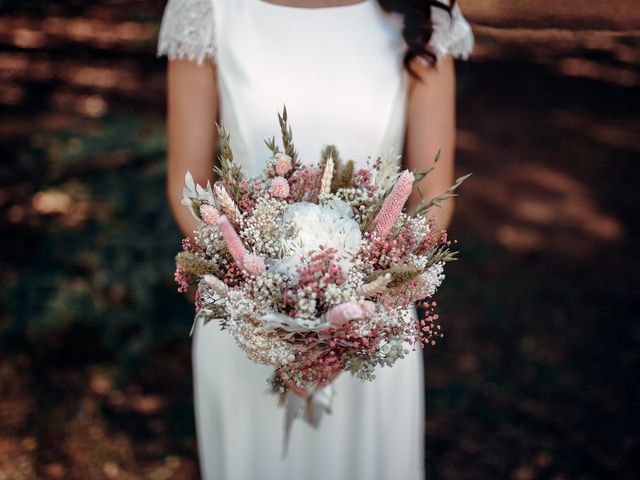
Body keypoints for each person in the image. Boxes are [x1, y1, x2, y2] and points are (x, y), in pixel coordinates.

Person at [157, 0, 473, 478]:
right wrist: (264, 307)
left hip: (374, 328)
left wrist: (352, 322)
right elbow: (188, 188)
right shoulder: (208, 10)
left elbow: (434, 200)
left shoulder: (424, 14)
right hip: (246, 329)